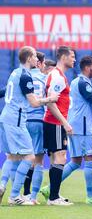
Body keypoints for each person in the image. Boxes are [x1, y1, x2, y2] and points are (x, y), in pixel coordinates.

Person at [0, 46, 58, 205]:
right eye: (34, 56)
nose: (36, 60)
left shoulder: (14, 72)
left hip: (5, 116)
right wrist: (50, 99)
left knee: (12, 156)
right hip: (17, 119)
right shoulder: (26, 77)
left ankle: (2, 185)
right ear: (28, 58)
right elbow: (33, 103)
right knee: (30, 157)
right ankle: (14, 196)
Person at [52, 55, 92, 204]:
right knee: (90, 159)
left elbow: (83, 106)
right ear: (87, 67)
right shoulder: (84, 83)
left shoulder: (77, 82)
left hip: (77, 124)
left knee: (76, 161)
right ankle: (91, 197)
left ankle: (50, 188)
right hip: (82, 128)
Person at [41, 46, 76, 206]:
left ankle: (54, 195)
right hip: (54, 123)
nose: (74, 59)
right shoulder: (57, 76)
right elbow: (50, 103)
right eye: (72, 56)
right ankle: (53, 198)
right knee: (60, 157)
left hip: (54, 123)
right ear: (63, 57)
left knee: (57, 158)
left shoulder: (58, 75)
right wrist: (65, 123)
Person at [22, 51, 48, 204]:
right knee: (38, 160)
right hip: (38, 120)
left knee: (21, 158)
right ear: (39, 63)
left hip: (24, 120)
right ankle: (32, 197)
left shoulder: (23, 77)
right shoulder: (44, 78)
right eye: (43, 63)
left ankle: (19, 193)